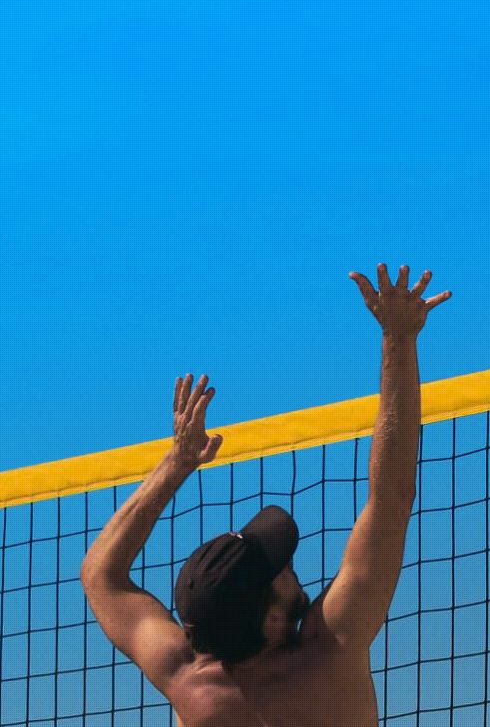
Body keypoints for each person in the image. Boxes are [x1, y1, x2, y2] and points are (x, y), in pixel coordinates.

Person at [80, 263, 450, 727]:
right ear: (267, 616)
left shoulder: (187, 682)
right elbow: (393, 497)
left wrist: (176, 462)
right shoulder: (327, 651)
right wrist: (399, 338)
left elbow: (100, 575)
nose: (290, 566)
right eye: (278, 570)